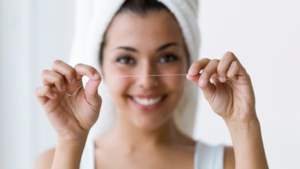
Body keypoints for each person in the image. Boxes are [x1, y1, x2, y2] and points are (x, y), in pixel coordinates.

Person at [33, 0, 268, 168]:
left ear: (190, 61)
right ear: (100, 66)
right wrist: (71, 141)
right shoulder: (55, 161)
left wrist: (244, 124)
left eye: (167, 57)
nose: (146, 81)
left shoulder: (231, 163)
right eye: (126, 59)